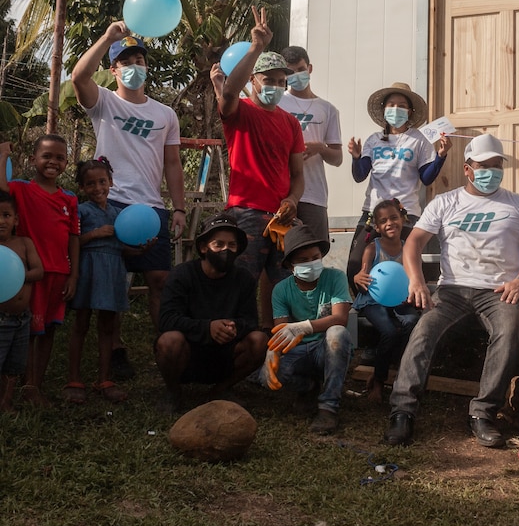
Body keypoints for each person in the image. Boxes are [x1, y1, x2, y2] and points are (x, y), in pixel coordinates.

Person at [384, 133, 519, 447]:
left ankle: (483, 413)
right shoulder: (445, 201)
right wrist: (416, 281)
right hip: (452, 291)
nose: (490, 171)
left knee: (510, 328)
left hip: (500, 292)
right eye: (483, 165)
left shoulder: (518, 204)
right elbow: (413, 243)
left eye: (496, 165)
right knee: (423, 331)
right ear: (467, 169)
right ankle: (402, 411)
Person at [72, 24, 188, 378]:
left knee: (158, 280)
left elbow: (172, 164)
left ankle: (163, 348)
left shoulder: (165, 114)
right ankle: (117, 350)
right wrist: (108, 38)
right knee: (115, 279)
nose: (134, 65)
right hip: (112, 203)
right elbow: (78, 76)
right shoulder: (103, 102)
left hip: (150, 208)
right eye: (126, 61)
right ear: (114, 70)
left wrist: (179, 207)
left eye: (140, 60)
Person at [211, 7, 305, 330]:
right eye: (269, 80)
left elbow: (298, 176)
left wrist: (293, 201)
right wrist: (256, 47)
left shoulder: (291, 123)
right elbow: (227, 92)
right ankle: (234, 348)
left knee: (287, 289)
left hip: (282, 218)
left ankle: (280, 352)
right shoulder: (241, 112)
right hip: (247, 214)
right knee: (239, 286)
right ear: (253, 81)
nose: (276, 86)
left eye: (281, 81)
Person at [155, 214, 268, 414]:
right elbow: (166, 319)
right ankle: (173, 392)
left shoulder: (244, 279)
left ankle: (221, 390)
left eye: (232, 245)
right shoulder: (182, 275)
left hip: (226, 353)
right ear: (204, 247)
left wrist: (233, 327)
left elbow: (250, 321)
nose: (226, 250)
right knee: (169, 340)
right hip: (188, 353)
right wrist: (208, 328)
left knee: (259, 340)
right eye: (219, 244)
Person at [346, 82, 451, 286]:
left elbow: (426, 178)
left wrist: (440, 156)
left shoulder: (419, 140)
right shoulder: (374, 139)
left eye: (402, 105)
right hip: (372, 211)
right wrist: (357, 157)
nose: (396, 109)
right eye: (391, 105)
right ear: (384, 109)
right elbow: (360, 176)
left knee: (405, 264)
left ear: (410, 112)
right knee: (355, 264)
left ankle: (406, 306)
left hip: (405, 213)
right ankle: (367, 305)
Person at [0, 136, 79, 406]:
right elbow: (1, 190)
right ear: (33, 159)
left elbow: (73, 238)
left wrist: (73, 274)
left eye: (60, 157)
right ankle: (22, 386)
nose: (53, 162)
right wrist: (3, 157)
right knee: (26, 331)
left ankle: (35, 385)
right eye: (47, 156)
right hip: (29, 276)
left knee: (48, 330)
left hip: (58, 275)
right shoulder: (20, 189)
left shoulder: (70, 198)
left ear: (67, 163)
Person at [261, 225, 352, 434]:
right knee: (269, 375)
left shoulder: (335, 277)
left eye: (315, 257)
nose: (311, 263)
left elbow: (341, 318)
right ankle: (307, 388)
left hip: (326, 349)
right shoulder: (281, 290)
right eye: (303, 260)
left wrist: (304, 326)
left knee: (337, 334)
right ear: (291, 266)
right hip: (298, 351)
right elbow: (281, 331)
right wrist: (272, 351)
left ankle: (328, 408)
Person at [65, 158, 130, 404]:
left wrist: (143, 248)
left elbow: (124, 247)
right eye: (90, 184)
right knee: (81, 324)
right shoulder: (80, 210)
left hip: (113, 271)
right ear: (82, 188)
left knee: (107, 327)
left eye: (102, 181)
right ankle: (74, 379)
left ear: (111, 182)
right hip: (88, 270)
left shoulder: (119, 214)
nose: (97, 188)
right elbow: (71, 242)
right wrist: (94, 234)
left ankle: (104, 379)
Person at [352, 199, 420, 403]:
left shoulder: (408, 248)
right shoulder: (372, 248)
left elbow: (415, 276)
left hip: (401, 299)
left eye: (393, 217)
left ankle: (400, 370)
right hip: (373, 300)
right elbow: (361, 276)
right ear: (377, 226)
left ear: (402, 219)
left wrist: (412, 292)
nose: (390, 223)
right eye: (383, 221)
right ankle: (379, 382)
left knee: (411, 323)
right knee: (389, 331)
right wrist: (357, 278)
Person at [279, 46, 343, 242]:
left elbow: (337, 159)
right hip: (282, 193)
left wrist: (320, 148)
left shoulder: (328, 109)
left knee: (313, 252)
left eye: (300, 69)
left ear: (310, 68)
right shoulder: (278, 103)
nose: (297, 75)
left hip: (314, 194)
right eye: (291, 71)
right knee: (281, 256)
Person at [0, 190, 43, 412]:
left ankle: (6, 402)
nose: (1, 221)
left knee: (14, 364)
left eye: (6, 215)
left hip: (21, 318)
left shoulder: (24, 243)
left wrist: (18, 276)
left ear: (16, 219)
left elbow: (39, 271)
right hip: (0, 318)